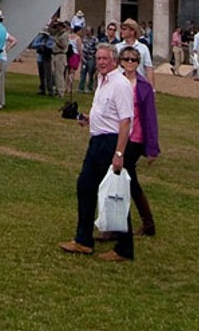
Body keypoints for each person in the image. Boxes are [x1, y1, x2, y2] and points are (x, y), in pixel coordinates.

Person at [59, 41, 133, 258]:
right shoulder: (103, 81)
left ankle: (124, 248)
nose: (100, 62)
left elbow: (125, 121)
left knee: (113, 191)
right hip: (97, 139)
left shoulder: (120, 84)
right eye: (98, 58)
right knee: (86, 187)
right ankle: (83, 239)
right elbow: (105, 113)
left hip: (109, 143)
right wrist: (86, 119)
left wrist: (119, 153)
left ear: (114, 60)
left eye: (105, 59)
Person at [112, 40, 160, 245]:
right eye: (126, 59)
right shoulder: (115, 81)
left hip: (136, 137)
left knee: (126, 177)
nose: (130, 62)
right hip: (118, 135)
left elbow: (150, 118)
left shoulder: (144, 87)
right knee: (123, 179)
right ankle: (134, 223)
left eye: (134, 60)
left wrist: (152, 148)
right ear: (121, 62)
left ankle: (142, 223)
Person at [114, 18, 154, 86]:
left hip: (139, 84)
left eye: (124, 29)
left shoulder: (143, 48)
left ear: (132, 31)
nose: (121, 31)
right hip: (121, 85)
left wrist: (152, 88)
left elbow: (148, 68)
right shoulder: (117, 47)